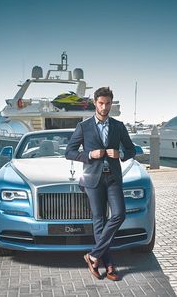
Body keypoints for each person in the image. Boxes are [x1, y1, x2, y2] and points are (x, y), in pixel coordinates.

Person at [65, 87, 136, 281]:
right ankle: (109, 264)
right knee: (99, 220)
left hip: (113, 177)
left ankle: (93, 255)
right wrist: (89, 155)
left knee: (119, 215)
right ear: (95, 103)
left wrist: (120, 154)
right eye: (101, 103)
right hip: (92, 178)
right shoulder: (84, 127)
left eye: (108, 104)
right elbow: (69, 152)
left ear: (111, 104)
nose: (104, 107)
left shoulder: (119, 126)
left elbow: (131, 150)